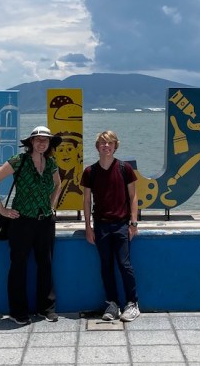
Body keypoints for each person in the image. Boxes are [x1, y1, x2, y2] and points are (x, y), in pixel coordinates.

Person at [0, 126, 62, 325]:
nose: (41, 143)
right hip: (22, 221)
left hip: (45, 221)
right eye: (37, 140)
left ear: (49, 144)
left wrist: (51, 207)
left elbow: (58, 185)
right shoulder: (19, 161)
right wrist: (2, 210)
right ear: (30, 142)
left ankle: (46, 309)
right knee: (19, 266)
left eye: (45, 140)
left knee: (45, 264)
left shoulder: (51, 162)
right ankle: (18, 311)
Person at [81, 130, 141, 322]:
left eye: (110, 143)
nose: (106, 146)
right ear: (97, 146)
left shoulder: (125, 169)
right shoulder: (90, 172)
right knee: (106, 266)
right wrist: (88, 227)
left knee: (124, 265)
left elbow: (133, 196)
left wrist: (133, 223)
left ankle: (132, 303)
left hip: (122, 225)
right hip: (101, 225)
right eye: (102, 143)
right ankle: (112, 304)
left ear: (115, 146)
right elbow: (86, 201)